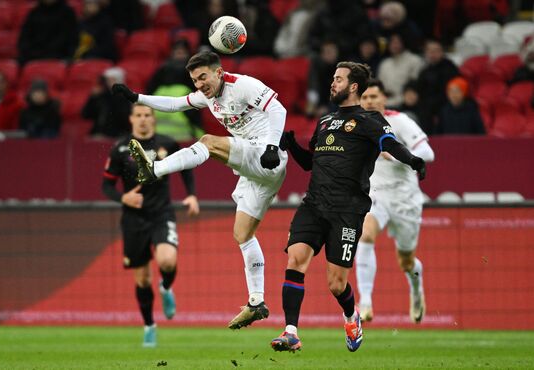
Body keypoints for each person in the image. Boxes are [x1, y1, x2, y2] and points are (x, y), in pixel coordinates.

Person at [112, 51, 288, 330]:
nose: (199, 84)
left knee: (207, 141)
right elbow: (175, 104)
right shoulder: (207, 95)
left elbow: (278, 110)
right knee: (242, 234)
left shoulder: (242, 84)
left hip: (266, 153)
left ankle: (154, 169)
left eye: (203, 77)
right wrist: (138, 98)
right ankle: (257, 301)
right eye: (195, 80)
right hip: (258, 171)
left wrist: (271, 146)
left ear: (218, 72)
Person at [270, 62, 426, 353]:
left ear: (353, 86)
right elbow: (309, 164)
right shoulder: (325, 121)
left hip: (348, 211)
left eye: (338, 79)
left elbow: (390, 143)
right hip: (314, 204)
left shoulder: (370, 120)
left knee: (336, 284)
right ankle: (291, 331)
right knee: (295, 259)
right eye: (332, 78)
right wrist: (292, 147)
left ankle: (351, 316)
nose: (333, 83)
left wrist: (413, 161)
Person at [102, 103, 199, 347]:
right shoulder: (120, 148)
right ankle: (149, 326)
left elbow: (186, 167)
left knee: (167, 260)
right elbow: (106, 185)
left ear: (154, 119)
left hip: (161, 213)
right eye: (138, 115)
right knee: (143, 279)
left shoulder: (167, 143)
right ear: (131, 119)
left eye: (147, 115)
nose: (143, 119)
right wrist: (123, 197)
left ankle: (166, 287)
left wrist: (191, 194)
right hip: (134, 219)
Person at [356, 79, 435, 325]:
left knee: (406, 261)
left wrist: (395, 156)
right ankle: (366, 302)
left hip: (405, 198)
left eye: (373, 97)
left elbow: (428, 153)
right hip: (375, 195)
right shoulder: (356, 125)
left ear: (384, 99)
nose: (369, 101)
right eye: (365, 97)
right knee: (365, 235)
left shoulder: (399, 121)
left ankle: (416, 287)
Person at [82, 67, 132, 138]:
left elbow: (124, 120)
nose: (109, 82)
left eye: (112, 79)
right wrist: (92, 98)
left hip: (117, 135)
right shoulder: (101, 97)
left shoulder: (125, 98)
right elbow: (85, 115)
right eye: (107, 80)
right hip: (99, 133)